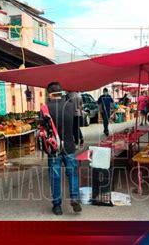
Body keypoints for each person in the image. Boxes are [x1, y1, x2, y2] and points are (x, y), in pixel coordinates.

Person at [45, 82, 81, 216]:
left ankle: (57, 206)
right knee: (72, 173)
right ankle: (74, 198)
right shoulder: (70, 106)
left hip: (54, 148)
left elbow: (43, 128)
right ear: (60, 92)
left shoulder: (46, 108)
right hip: (69, 146)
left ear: (50, 94)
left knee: (55, 177)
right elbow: (76, 126)